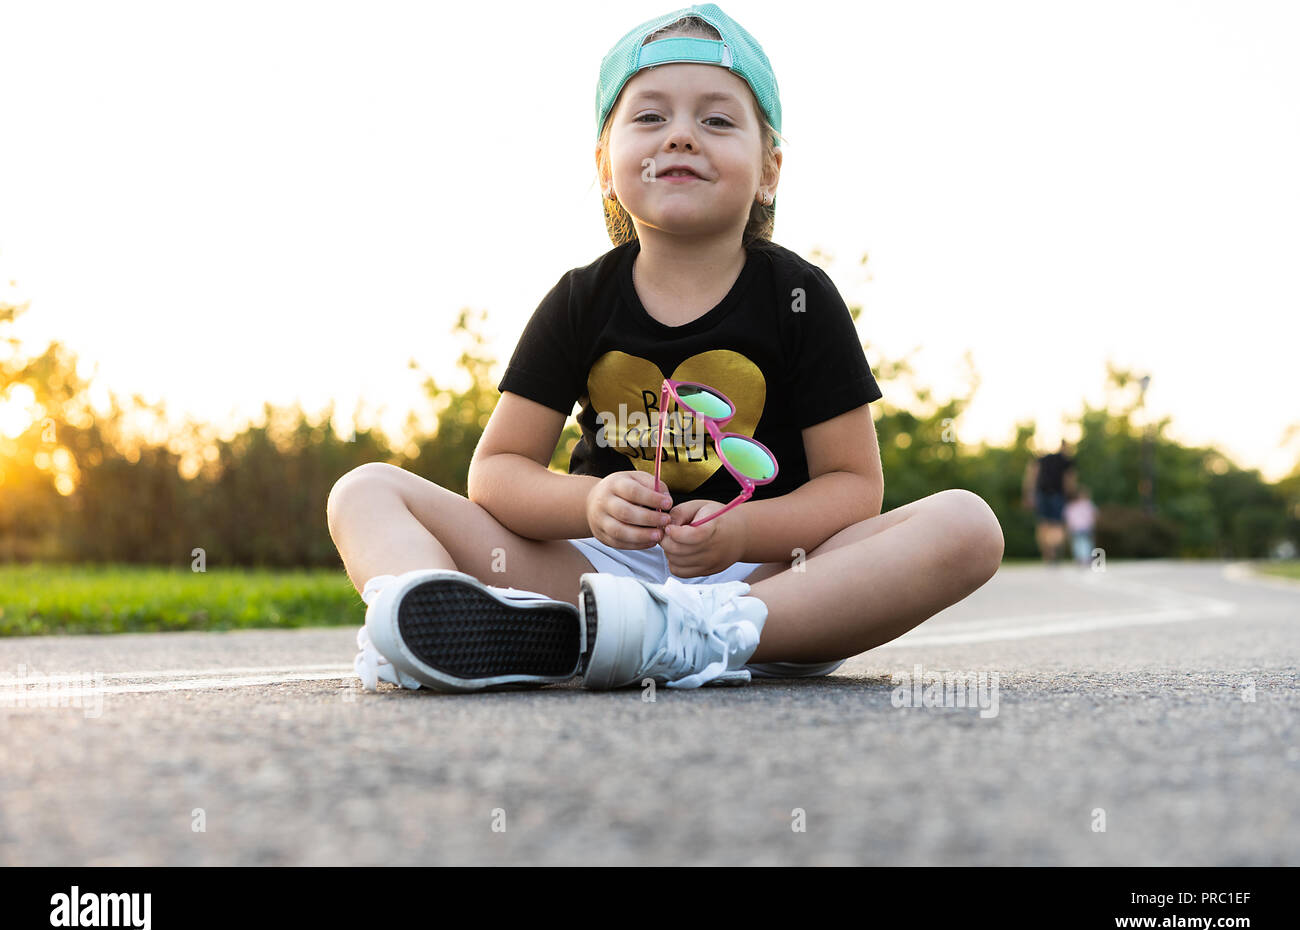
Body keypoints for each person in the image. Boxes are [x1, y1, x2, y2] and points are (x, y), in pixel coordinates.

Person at [326, 4, 1005, 693]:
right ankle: (421, 625)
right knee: (366, 489)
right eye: (650, 117)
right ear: (603, 162)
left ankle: (681, 637)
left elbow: (853, 487)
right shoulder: (579, 299)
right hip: (594, 579)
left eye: (715, 120)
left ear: (770, 169)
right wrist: (587, 506)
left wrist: (742, 537)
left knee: (967, 525)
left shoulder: (799, 296)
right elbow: (498, 472)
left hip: (761, 590)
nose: (681, 135)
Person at [1022, 438, 1077, 565]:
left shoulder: (1043, 459)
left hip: (1042, 493)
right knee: (1057, 524)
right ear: (1066, 447)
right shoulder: (1066, 461)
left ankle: (1047, 554)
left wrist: (1029, 493)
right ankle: (1054, 550)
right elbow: (1069, 479)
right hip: (1057, 494)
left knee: (1043, 525)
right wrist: (1071, 495)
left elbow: (1032, 475)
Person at [1064, 485, 1098, 567]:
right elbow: (1094, 514)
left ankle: (1080, 558)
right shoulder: (1088, 504)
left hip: (1076, 528)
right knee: (1086, 542)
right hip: (1086, 527)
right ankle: (1086, 558)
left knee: (1077, 543)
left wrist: (1068, 528)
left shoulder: (1072, 506)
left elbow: (1068, 517)